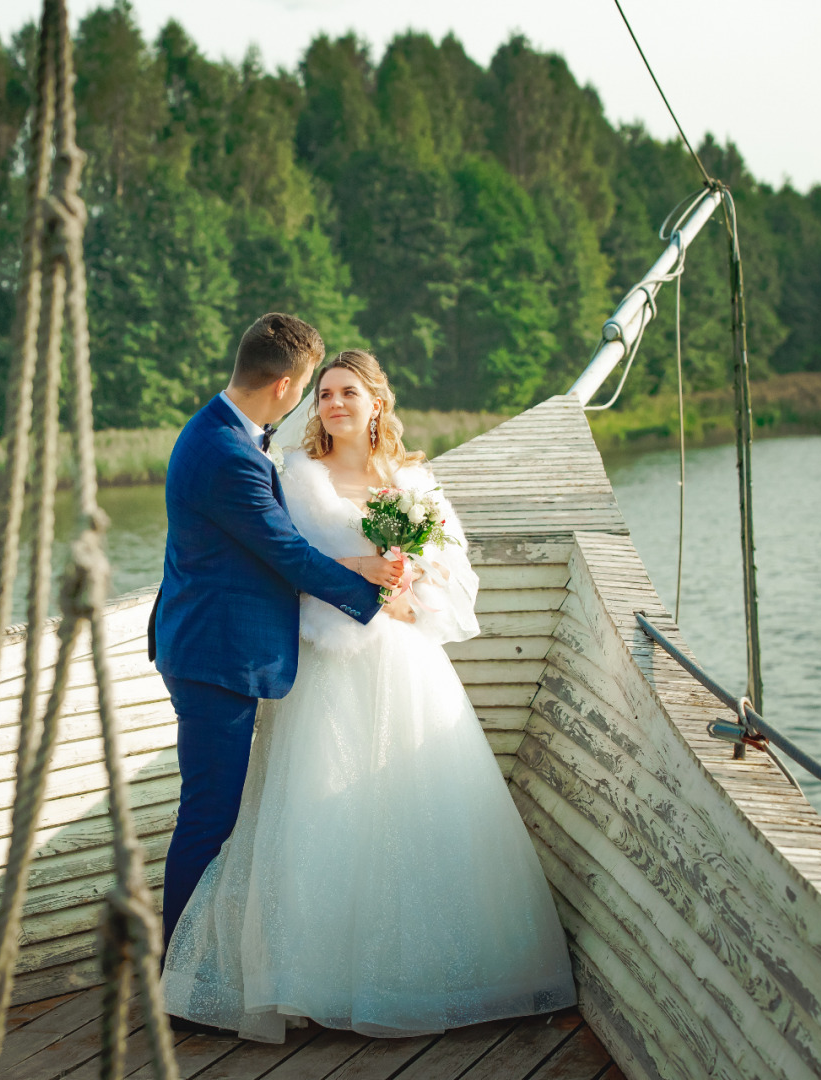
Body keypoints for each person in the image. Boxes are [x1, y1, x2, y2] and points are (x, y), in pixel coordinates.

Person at [160, 349, 576, 1043]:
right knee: (313, 818)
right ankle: (308, 979)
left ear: (376, 402)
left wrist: (411, 595)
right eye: (324, 393)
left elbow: (449, 566)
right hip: (327, 666)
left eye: (349, 391)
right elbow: (279, 562)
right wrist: (363, 583)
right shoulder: (296, 477)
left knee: (413, 811)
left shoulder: (411, 480)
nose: (335, 403)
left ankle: (420, 977)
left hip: (404, 663)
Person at [150, 315, 407, 975]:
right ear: (289, 386)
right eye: (315, 389)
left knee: (214, 814)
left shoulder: (226, 431)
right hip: (217, 658)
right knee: (208, 820)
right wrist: (371, 594)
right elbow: (286, 553)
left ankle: (198, 962)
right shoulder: (226, 452)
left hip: (215, 646)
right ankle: (180, 979)